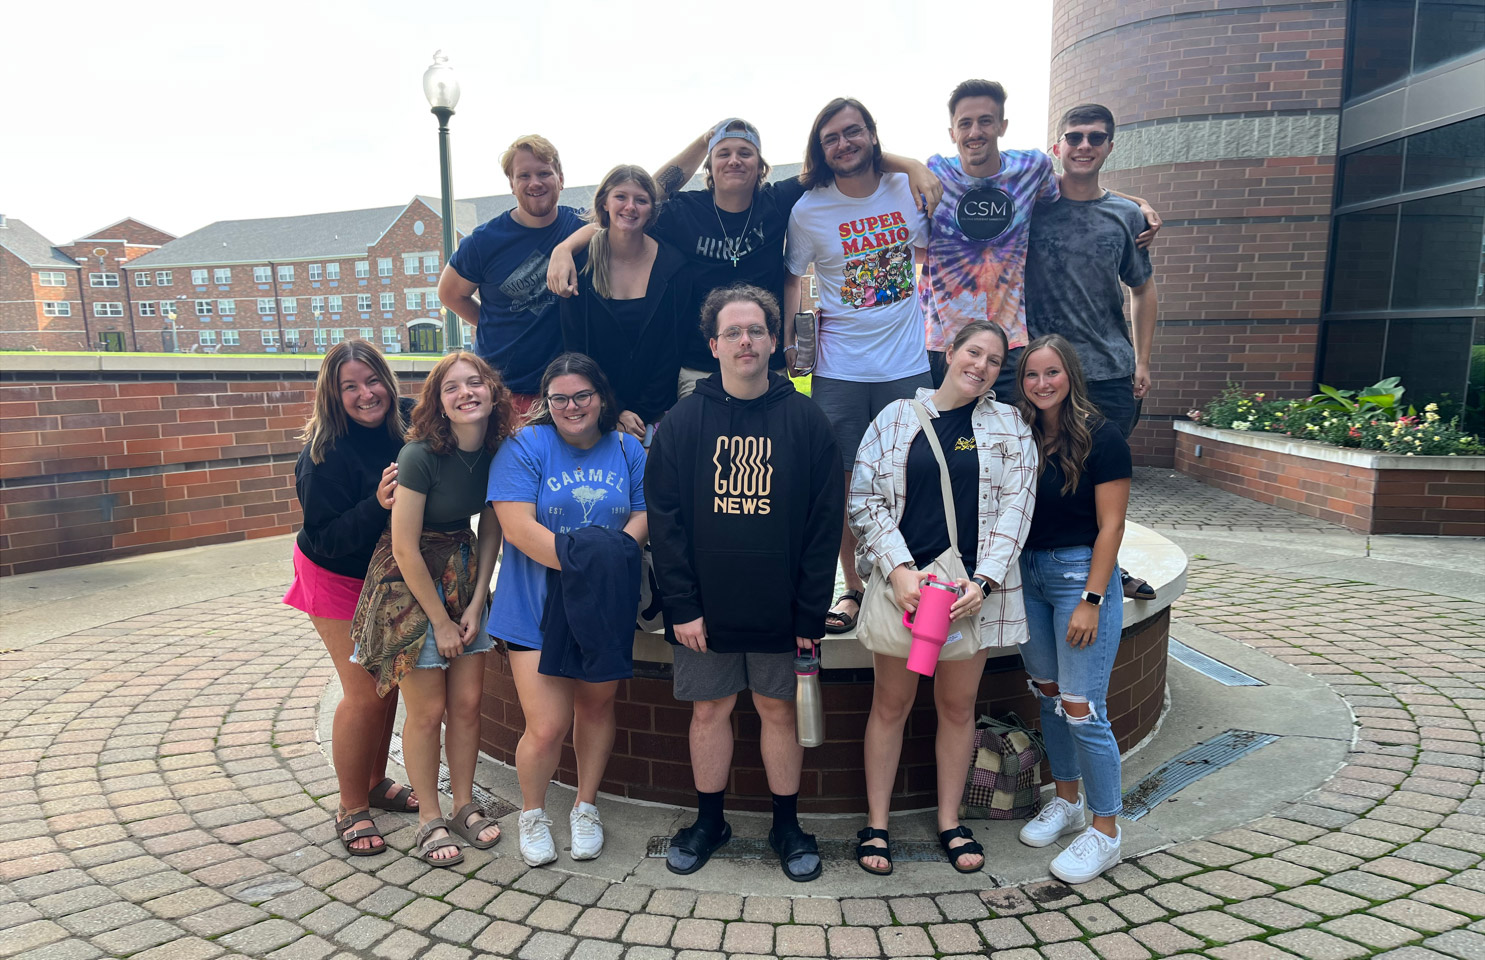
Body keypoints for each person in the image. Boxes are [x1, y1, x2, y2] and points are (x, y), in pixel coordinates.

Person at [645, 283, 843, 882]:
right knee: (710, 712)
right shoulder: (683, 423)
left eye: (756, 330)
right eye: (732, 332)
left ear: (774, 340)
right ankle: (711, 821)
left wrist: (811, 613)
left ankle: (788, 825)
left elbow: (823, 524)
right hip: (704, 611)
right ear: (713, 344)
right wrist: (681, 605)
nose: (745, 341)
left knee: (777, 712)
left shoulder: (805, 420)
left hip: (781, 611)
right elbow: (666, 523)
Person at [546, 119, 942, 399]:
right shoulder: (683, 211)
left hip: (762, 359)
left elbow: (840, 160)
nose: (734, 160)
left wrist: (909, 164)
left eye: (745, 153)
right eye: (723, 154)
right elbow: (632, 205)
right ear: (710, 170)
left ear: (760, 167)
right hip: (700, 365)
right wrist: (565, 248)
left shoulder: (777, 201)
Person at [847, 320, 1037, 875]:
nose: (980, 366)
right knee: (891, 706)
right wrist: (899, 570)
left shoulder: (1010, 427)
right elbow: (865, 501)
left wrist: (985, 582)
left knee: (958, 709)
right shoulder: (895, 418)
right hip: (909, 591)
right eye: (972, 352)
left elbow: (1015, 510)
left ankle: (950, 821)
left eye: (994, 361)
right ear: (949, 353)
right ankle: (876, 824)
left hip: (968, 597)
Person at [486, 352, 649, 866]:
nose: (572, 406)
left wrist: (602, 568)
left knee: (597, 707)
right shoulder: (524, 446)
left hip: (603, 605)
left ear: (601, 397)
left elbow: (644, 515)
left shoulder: (627, 450)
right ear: (545, 403)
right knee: (548, 725)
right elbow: (517, 527)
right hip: (533, 605)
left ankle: (585, 806)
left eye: (583, 395)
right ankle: (532, 814)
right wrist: (591, 560)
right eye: (559, 398)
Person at [351, 351, 512, 868]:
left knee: (467, 706)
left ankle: (465, 804)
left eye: (475, 382)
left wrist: (478, 597)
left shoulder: (497, 448)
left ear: (491, 391)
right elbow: (403, 547)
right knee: (428, 710)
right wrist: (440, 622)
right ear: (439, 403)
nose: (465, 393)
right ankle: (429, 819)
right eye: (451, 387)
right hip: (409, 582)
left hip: (462, 573)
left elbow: (492, 525)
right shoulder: (420, 455)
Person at [919, 80, 1161, 400]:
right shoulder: (934, 172)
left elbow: (1076, 184)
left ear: (1002, 126)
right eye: (965, 123)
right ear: (952, 132)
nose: (975, 131)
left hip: (1008, 349)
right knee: (939, 442)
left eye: (986, 121)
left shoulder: (1030, 169)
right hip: (941, 345)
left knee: (1006, 445)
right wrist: (906, 163)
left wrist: (1133, 203)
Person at [286, 340, 417, 856]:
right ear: (333, 396)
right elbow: (325, 539)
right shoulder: (321, 456)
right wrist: (377, 505)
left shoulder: (407, 422)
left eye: (372, 381)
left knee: (388, 687)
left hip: (385, 571)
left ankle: (374, 784)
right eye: (350, 387)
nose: (366, 394)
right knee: (363, 692)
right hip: (334, 574)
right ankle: (350, 807)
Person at [1025, 104, 1160, 601]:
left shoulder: (1125, 216)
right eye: (1074, 137)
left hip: (1108, 371)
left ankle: (1111, 569)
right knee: (1042, 479)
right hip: (1041, 372)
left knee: (1102, 480)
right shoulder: (1031, 205)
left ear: (1109, 145)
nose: (1085, 146)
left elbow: (1143, 290)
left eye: (1096, 138)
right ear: (1057, 146)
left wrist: (1142, 359)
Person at [1014, 334, 1132, 884]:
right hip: (1026, 576)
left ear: (1071, 376)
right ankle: (1066, 802)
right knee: (1049, 694)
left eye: (1052, 372)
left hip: (1075, 578)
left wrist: (1091, 597)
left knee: (1083, 706)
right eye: (1032, 374)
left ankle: (1106, 831)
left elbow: (1112, 527)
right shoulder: (1019, 431)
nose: (1042, 383)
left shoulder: (1102, 436)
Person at [440, 135, 585, 417]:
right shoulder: (483, 241)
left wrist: (567, 246)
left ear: (561, 179)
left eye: (545, 173)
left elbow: (611, 217)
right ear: (511, 184)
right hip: (502, 389)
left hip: (562, 390)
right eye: (524, 175)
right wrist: (491, 322)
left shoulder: (577, 226)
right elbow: (449, 294)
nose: (535, 183)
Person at [558, 165, 687, 441]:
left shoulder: (673, 266)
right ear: (604, 201)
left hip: (656, 415)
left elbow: (672, 350)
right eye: (621, 197)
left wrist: (637, 413)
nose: (630, 207)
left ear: (652, 209)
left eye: (641, 200)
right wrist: (611, 411)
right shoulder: (580, 267)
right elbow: (576, 350)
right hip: (594, 414)